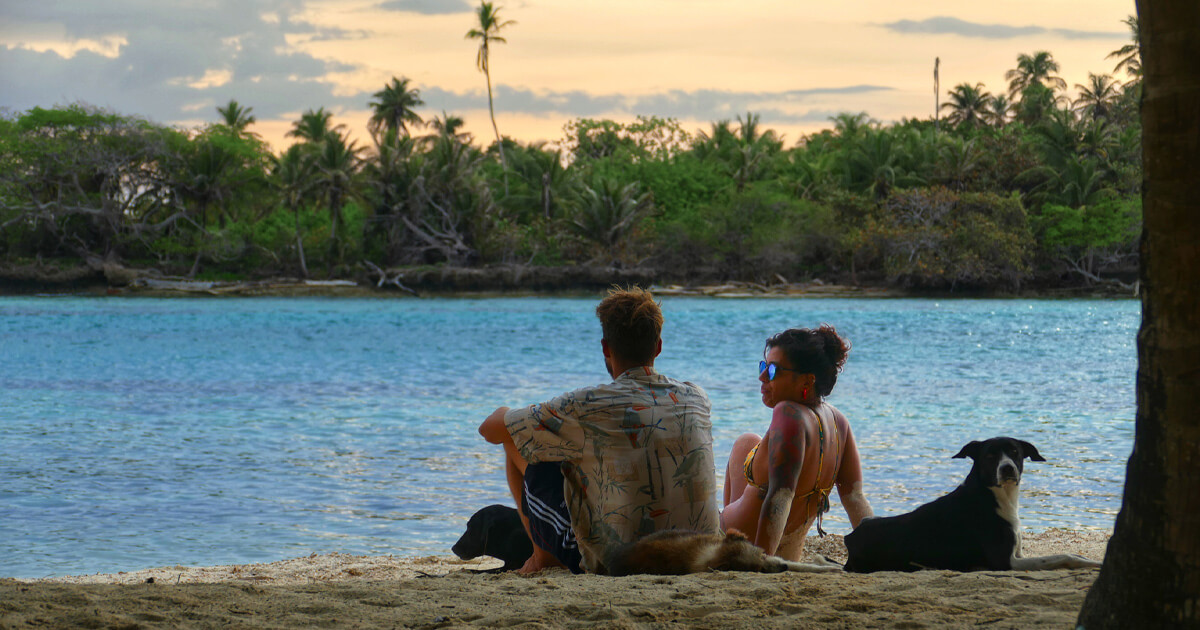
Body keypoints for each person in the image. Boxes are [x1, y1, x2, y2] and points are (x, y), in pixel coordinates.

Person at [478, 287, 720, 574]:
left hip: (619, 562)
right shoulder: (696, 397)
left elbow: (489, 430)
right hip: (701, 555)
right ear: (658, 347)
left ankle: (539, 559)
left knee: (521, 443)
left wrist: (517, 413)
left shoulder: (585, 405)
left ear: (606, 348)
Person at [721, 325, 874, 561]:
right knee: (747, 442)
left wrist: (761, 562)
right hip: (788, 549)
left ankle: (733, 538)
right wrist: (878, 549)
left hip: (745, 547)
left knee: (745, 444)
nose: (761, 377)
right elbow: (854, 498)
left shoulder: (788, 413)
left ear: (806, 381)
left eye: (773, 370)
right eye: (763, 366)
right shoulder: (839, 422)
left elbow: (781, 495)